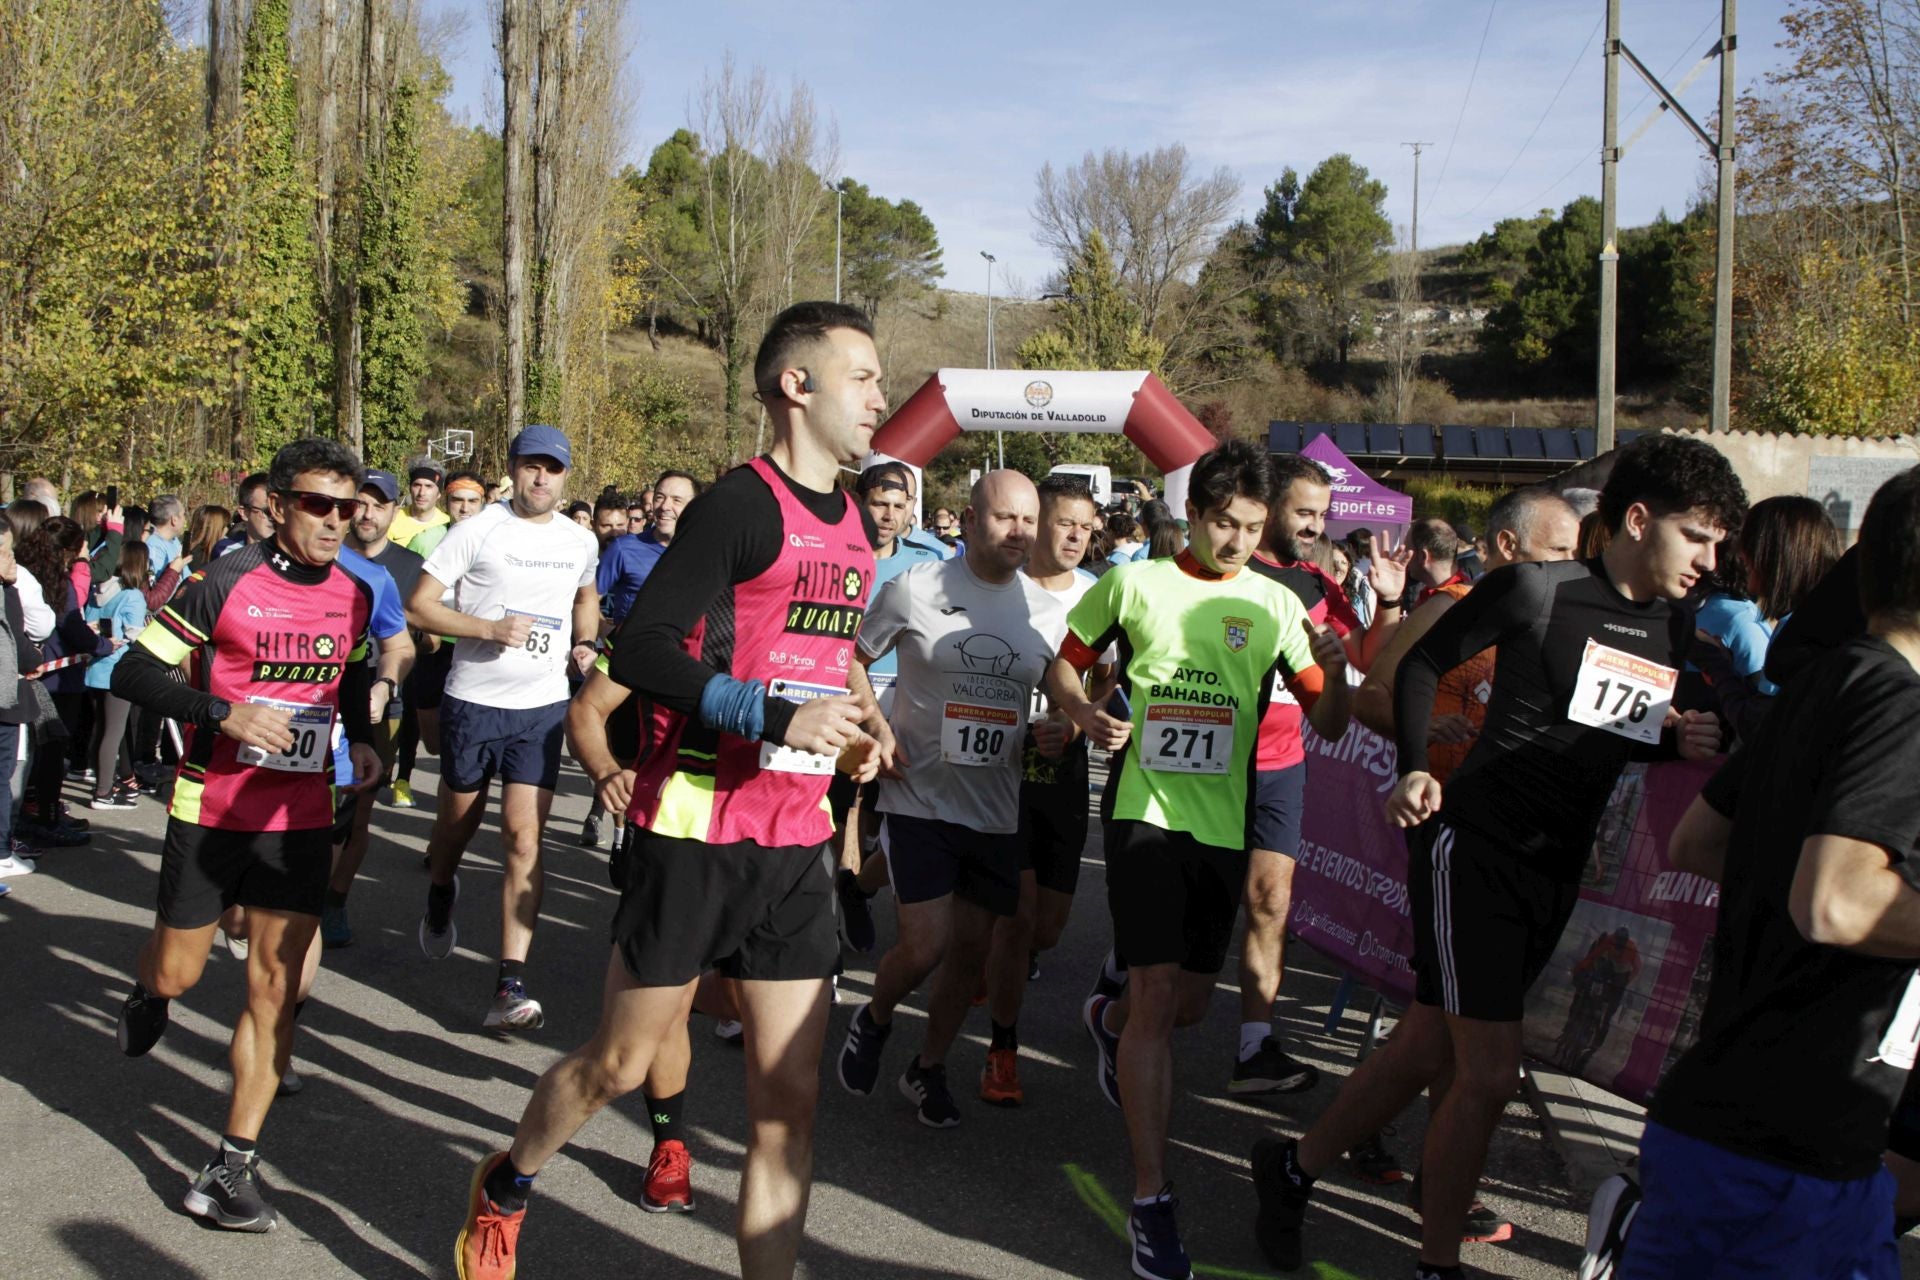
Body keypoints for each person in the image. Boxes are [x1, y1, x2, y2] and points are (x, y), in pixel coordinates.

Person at [455, 300, 890, 1280]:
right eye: (862, 374)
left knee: (787, 1109)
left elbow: (816, 662)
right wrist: (774, 716)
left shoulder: (857, 523)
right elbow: (645, 649)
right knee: (617, 1062)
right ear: (797, 384)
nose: (880, 396)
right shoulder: (739, 503)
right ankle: (508, 1180)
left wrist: (853, 735)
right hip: (694, 824)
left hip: (795, 840)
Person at [1250, 433, 1744, 1280]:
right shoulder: (1536, 590)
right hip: (1472, 845)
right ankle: (1437, 1261)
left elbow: (1611, 737)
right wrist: (1412, 766)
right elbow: (1420, 668)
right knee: (1487, 1070)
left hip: (1554, 867)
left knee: (1427, 1047)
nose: (1711, 558)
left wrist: (1682, 738)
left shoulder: (1672, 624)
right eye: (1697, 535)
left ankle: (1291, 1170)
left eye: (1718, 543)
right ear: (1637, 519)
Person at [1603, 465, 1920, 1280]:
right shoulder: (1900, 704)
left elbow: (1700, 842)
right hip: (1786, 1160)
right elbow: (1839, 903)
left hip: (1738, 1128)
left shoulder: (1828, 680)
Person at [1052, 440, 1351, 1280]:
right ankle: (1153, 1200)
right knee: (1155, 996)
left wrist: (1339, 679)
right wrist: (1083, 716)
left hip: (1225, 824)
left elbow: (1329, 724)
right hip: (1144, 810)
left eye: (1254, 528)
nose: (1239, 542)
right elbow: (1063, 669)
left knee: (1184, 1006)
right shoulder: (1133, 584)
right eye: (1226, 524)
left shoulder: (1276, 602)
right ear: (1194, 514)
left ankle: (1107, 1029)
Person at [110, 437, 379, 1232]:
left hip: (296, 821)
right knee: (178, 973)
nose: (336, 522)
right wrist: (222, 712)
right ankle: (149, 989)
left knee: (276, 992)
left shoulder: (356, 594)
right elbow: (134, 673)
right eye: (320, 505)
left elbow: (353, 673)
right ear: (284, 504)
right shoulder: (223, 580)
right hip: (214, 809)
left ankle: (231, 1167)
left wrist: (362, 735)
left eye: (349, 507)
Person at [836, 470, 1066, 1128]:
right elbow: (851, 655)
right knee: (926, 945)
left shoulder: (1045, 609)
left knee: (970, 953)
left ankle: (927, 1068)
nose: (1020, 532)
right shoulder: (917, 588)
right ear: (968, 521)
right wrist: (877, 723)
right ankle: (874, 1019)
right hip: (919, 797)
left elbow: (1064, 697)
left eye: (1028, 520)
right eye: (1004, 519)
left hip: (995, 806)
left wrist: (1064, 728)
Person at [1227, 455, 1408, 1104]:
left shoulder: (1316, 584)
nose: (1315, 526)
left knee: (1271, 900)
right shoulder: (1226, 571)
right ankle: (1121, 987)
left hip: (1281, 764)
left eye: (1323, 515)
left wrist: (1386, 603)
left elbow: (1366, 661)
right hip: (1208, 769)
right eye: (1304, 512)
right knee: (1195, 906)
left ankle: (1254, 1045)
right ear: (1269, 506)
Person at [410, 426, 600, 1030]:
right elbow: (420, 605)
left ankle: (509, 983)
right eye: (531, 466)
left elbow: (585, 597)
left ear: (566, 476)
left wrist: (587, 640)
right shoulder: (476, 530)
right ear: (513, 469)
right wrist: (488, 629)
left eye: (553, 469)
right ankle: (442, 888)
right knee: (455, 830)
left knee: (523, 840)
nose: (542, 478)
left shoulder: (579, 540)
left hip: (541, 709)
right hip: (473, 701)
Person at [977, 472, 1114, 1105]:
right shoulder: (1001, 590)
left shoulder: (1098, 593)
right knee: (1018, 916)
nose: (1076, 537)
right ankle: (1001, 1049)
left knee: (1049, 930)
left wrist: (1078, 721)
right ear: (1036, 524)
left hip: (1062, 772)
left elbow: (1109, 678)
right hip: (1000, 771)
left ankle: (989, 963)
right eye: (1065, 523)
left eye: (1087, 528)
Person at [828, 461, 944, 944]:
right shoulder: (833, 551)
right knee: (841, 809)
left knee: (883, 813)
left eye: (900, 505)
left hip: (900, 710)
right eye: (880, 503)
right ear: (859, 501)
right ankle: (834, 900)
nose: (889, 515)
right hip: (838, 699)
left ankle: (859, 884)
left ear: (913, 509)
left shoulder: (927, 562)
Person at [320, 469, 422, 946]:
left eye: (378, 505)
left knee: (356, 812)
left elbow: (411, 642)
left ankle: (334, 900)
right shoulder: (315, 557)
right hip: (315, 704)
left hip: (379, 703)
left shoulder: (402, 569)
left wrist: (384, 685)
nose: (366, 513)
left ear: (393, 513)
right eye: (359, 503)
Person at [580, 470, 704, 848]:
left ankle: (658, 830)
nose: (666, 507)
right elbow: (589, 599)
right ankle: (622, 835)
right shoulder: (625, 549)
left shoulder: (706, 554)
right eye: (661, 497)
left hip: (682, 672)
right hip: (629, 670)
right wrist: (592, 641)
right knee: (627, 755)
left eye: (677, 500)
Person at [1690, 495, 1839, 743]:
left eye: (1746, 543)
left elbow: (1755, 724)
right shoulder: (1831, 617)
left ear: (1772, 554)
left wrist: (1714, 663)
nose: (1739, 555)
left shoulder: (1798, 630)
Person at [390, 469, 487, 808]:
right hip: (432, 647)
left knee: (462, 740)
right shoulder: (427, 539)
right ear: (447, 502)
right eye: (458, 501)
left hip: (474, 648)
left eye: (473, 501)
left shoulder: (496, 540)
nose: (465, 508)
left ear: (483, 503)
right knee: (433, 740)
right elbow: (404, 597)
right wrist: (419, 630)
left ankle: (454, 806)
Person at [85, 542, 148, 809]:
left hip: (93, 669)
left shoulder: (97, 591)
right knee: (114, 733)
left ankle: (106, 783)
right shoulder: (132, 596)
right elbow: (136, 634)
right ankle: (102, 793)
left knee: (102, 729)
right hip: (118, 670)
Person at [0, 522, 46, 883]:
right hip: (5, 696)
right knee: (5, 776)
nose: (12, 560)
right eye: (4, 552)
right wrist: (33, 660)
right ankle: (1, 850)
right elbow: (19, 639)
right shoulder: (7, 593)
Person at [390, 459, 448, 549]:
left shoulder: (447, 525)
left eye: (429, 486)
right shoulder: (391, 519)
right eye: (417, 485)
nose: (422, 493)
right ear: (410, 489)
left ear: (439, 493)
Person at [213, 474, 276, 558]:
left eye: (277, 509)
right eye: (267, 511)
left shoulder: (293, 553)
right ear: (244, 513)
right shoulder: (225, 551)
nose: (273, 516)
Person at [145, 495, 185, 581]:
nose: (185, 519)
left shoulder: (174, 541)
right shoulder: (152, 547)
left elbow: (186, 574)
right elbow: (153, 584)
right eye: (183, 514)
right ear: (174, 520)